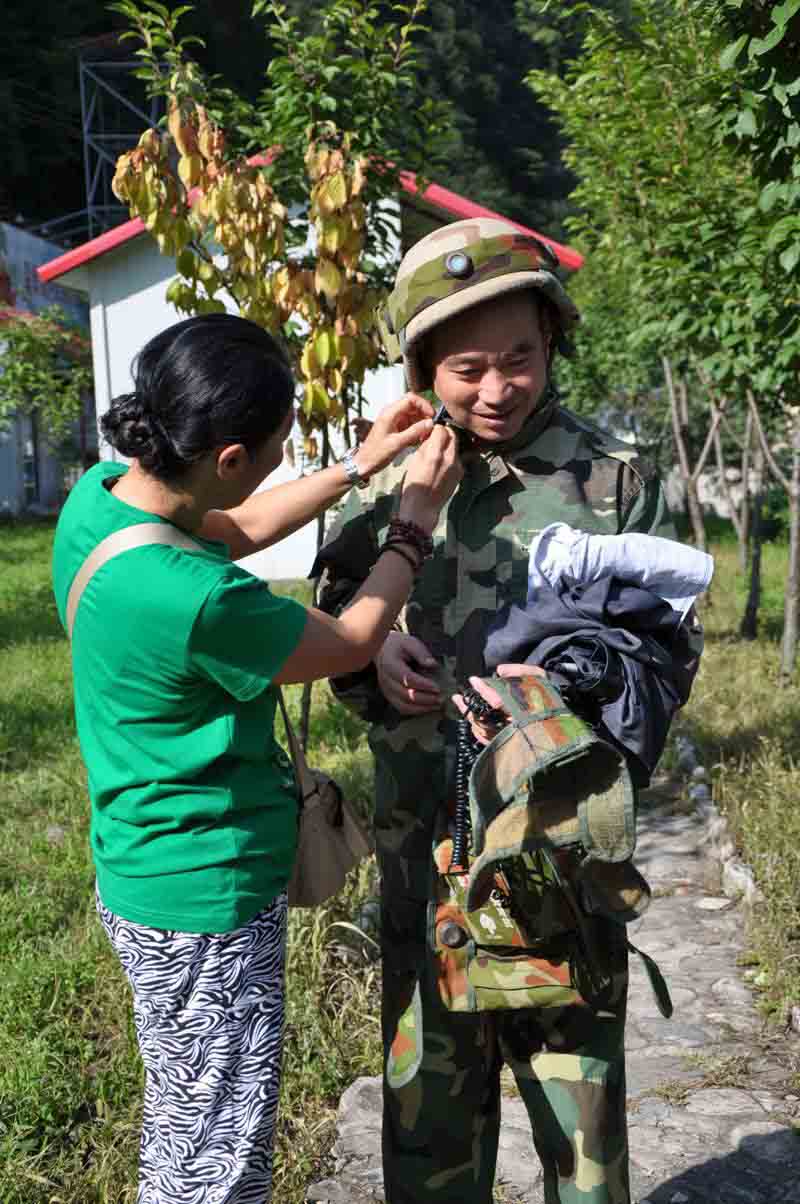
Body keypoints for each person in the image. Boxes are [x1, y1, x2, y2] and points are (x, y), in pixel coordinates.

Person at [315, 217, 691, 1204]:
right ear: (422, 368)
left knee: (580, 1131)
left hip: (561, 868)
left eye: (518, 358)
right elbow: (329, 636)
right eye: (466, 367)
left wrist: (564, 698)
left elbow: (662, 653)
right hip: (424, 864)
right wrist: (372, 668)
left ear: (552, 340)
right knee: (428, 1129)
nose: (495, 388)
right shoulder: (390, 488)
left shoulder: (612, 484)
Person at [51, 312, 461, 1204]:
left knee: (186, 1114)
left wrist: (358, 466)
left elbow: (233, 524)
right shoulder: (197, 603)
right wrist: (413, 520)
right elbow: (353, 639)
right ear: (229, 454)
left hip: (142, 865)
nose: (284, 457)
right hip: (207, 896)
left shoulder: (104, 500)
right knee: (221, 1149)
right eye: (280, 444)